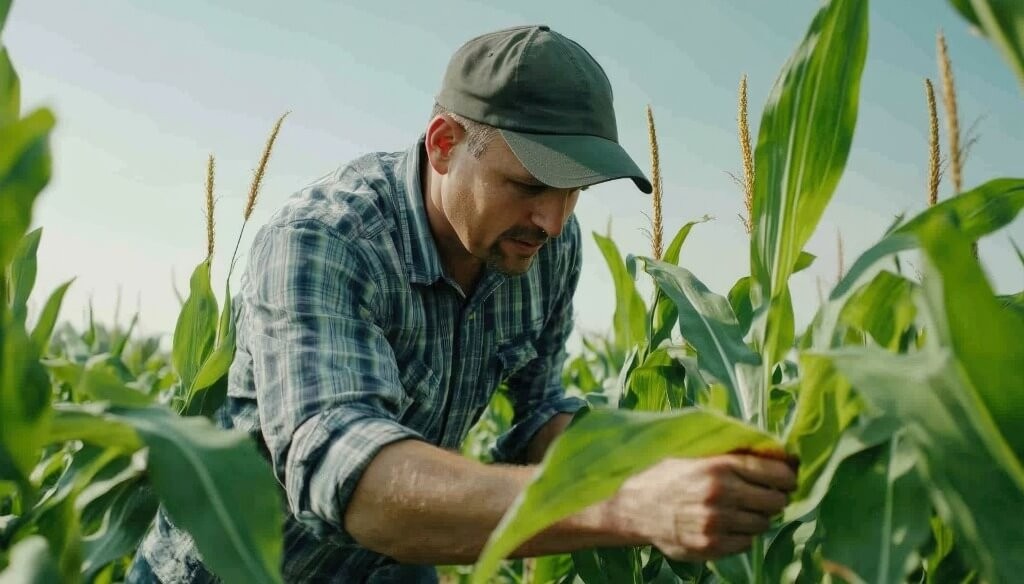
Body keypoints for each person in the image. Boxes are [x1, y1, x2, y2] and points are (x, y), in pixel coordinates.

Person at [129, 24, 796, 583]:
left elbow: (539, 411)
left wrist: (654, 460)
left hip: (388, 569)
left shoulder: (543, 248)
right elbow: (348, 478)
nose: (554, 221)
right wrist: (626, 504)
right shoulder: (326, 242)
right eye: (529, 185)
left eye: (576, 191)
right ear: (445, 144)